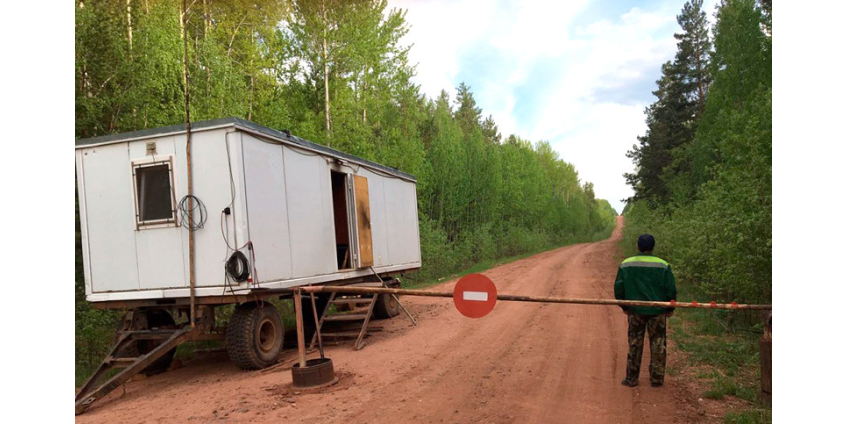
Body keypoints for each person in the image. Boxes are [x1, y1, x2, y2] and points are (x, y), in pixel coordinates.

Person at [614, 234, 677, 387]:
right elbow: (671, 289)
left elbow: (618, 288)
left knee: (635, 342)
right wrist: (670, 307)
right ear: (653, 247)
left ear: (638, 247)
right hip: (658, 312)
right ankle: (657, 378)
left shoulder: (626, 264)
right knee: (658, 343)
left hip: (635, 311)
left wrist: (625, 306)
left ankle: (631, 378)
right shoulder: (663, 265)